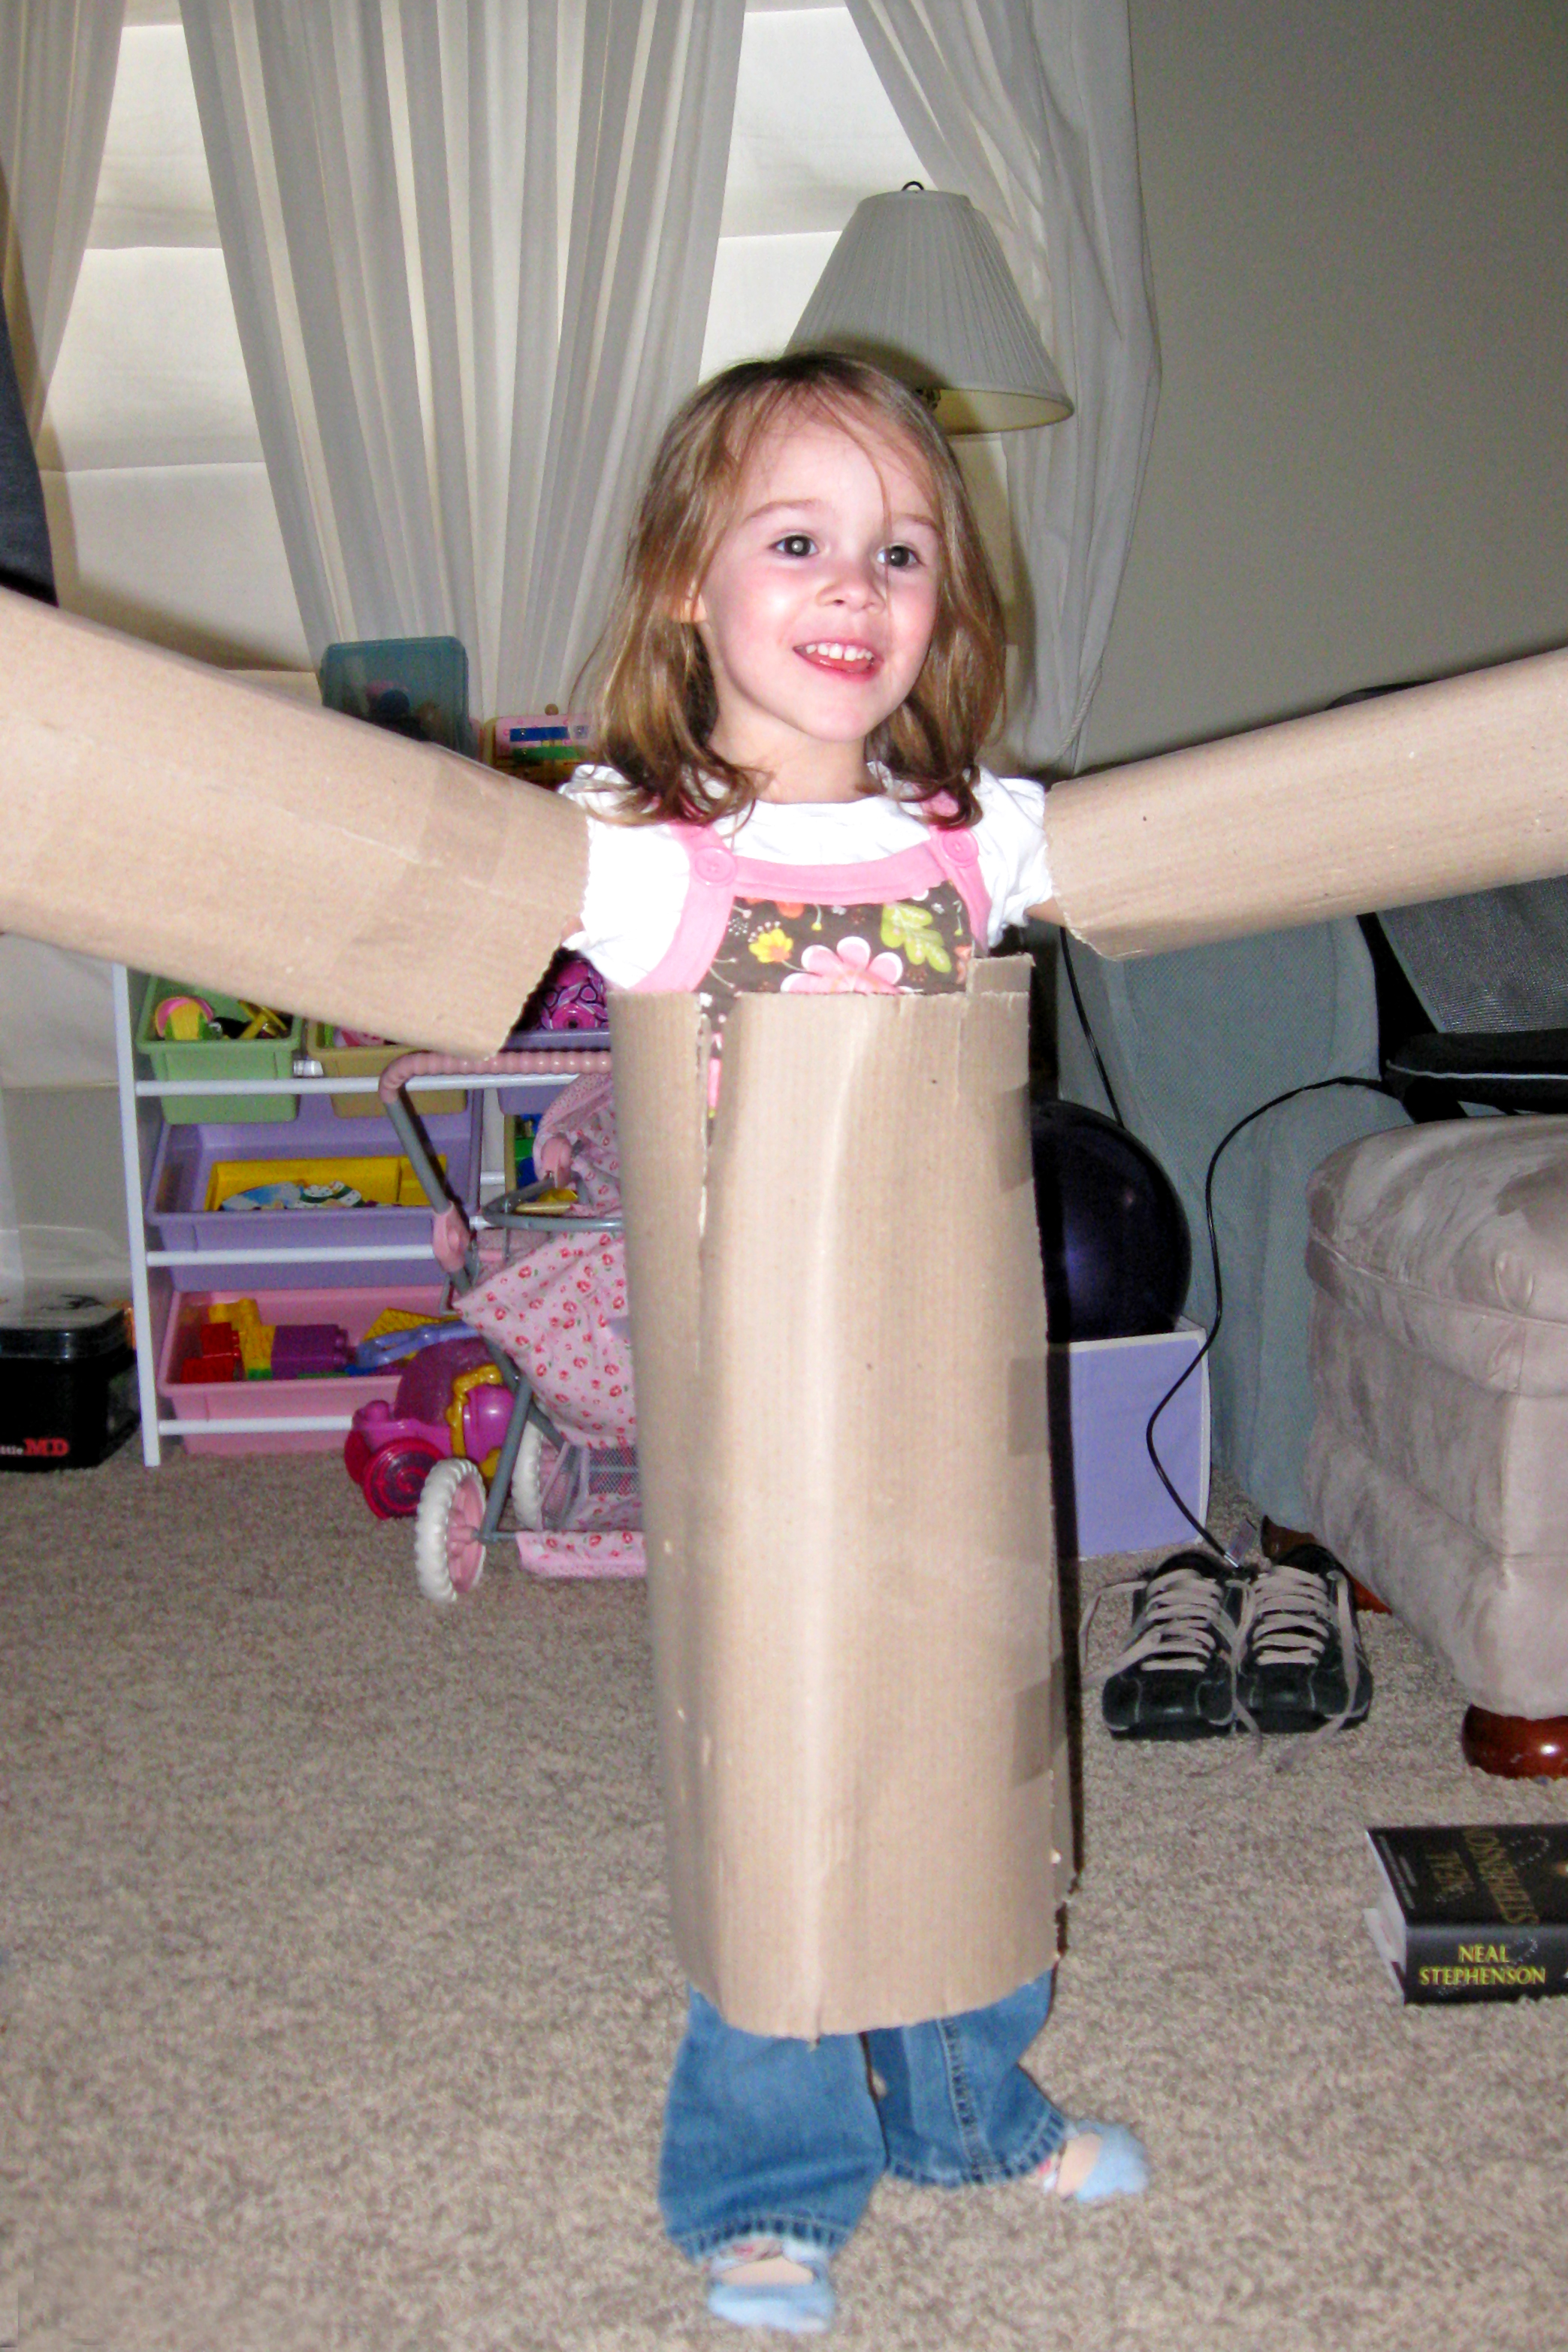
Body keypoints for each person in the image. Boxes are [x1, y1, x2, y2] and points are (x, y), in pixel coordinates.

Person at [449, 350, 1148, 2335]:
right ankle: (766, 2178)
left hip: (942, 1391)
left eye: (902, 550)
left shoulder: (975, 839)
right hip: (753, 1414)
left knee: (966, 1751)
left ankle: (968, 2109)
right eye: (797, 540)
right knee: (781, 1775)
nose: (857, 584)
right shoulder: (642, 861)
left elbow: (1230, 840)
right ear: (690, 581)